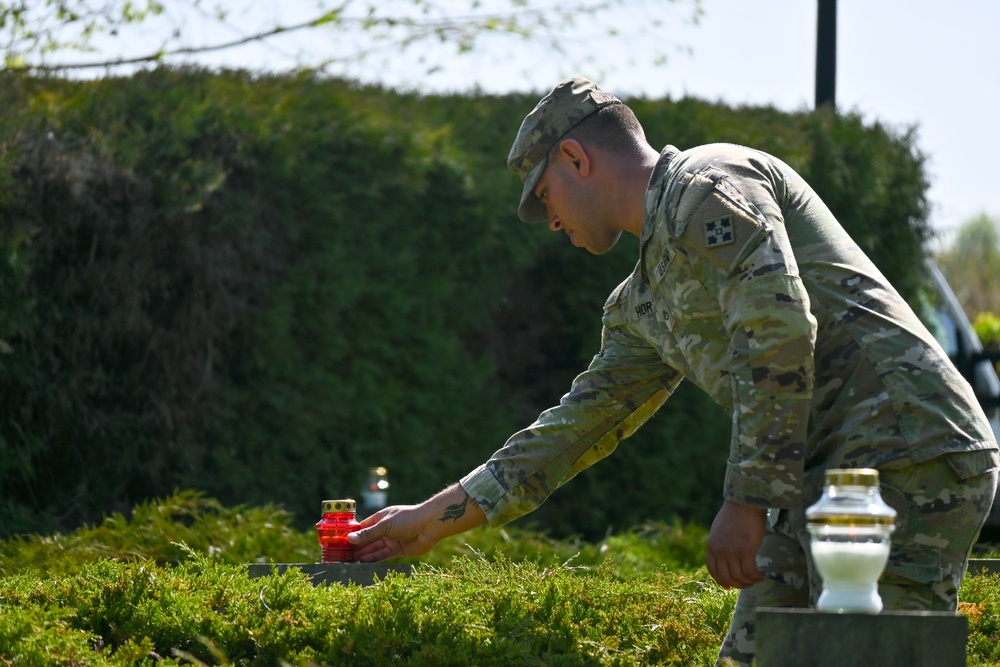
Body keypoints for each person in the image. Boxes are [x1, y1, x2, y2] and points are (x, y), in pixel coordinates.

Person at [348, 77, 1000, 666]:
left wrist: (746, 499)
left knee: (874, 659)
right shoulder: (642, 303)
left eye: (545, 194)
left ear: (576, 158)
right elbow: (574, 429)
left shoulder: (710, 185)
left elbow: (778, 328)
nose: (549, 220)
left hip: (911, 448)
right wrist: (431, 518)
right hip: (816, 481)